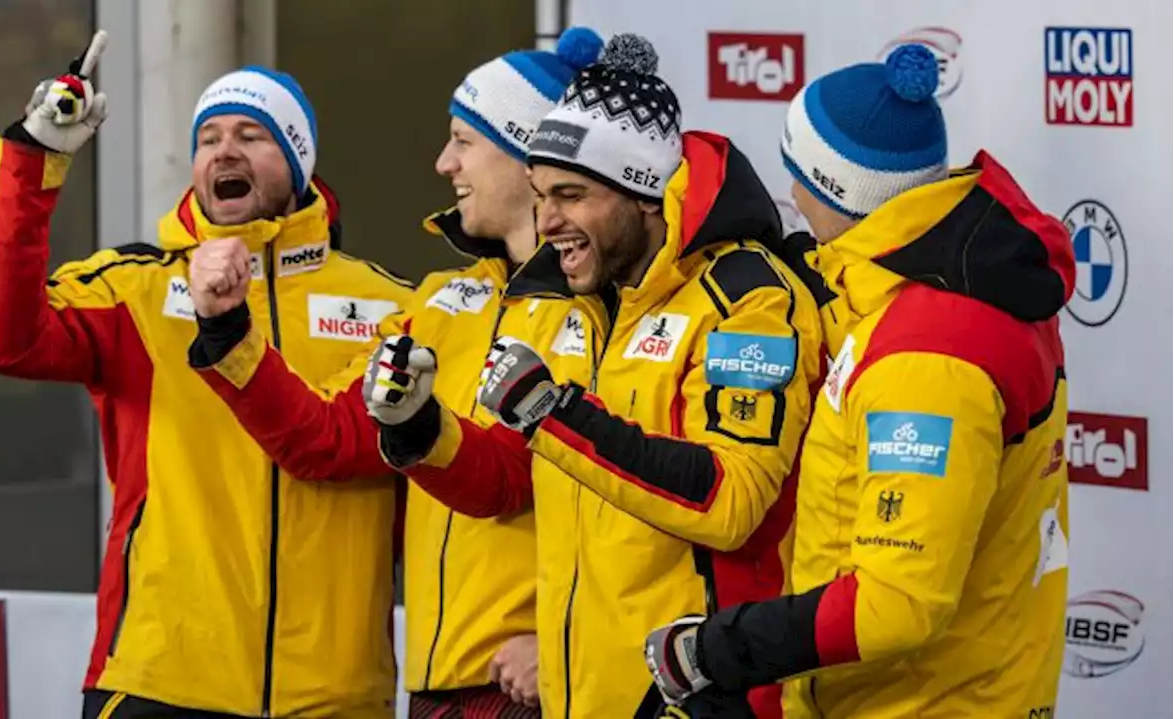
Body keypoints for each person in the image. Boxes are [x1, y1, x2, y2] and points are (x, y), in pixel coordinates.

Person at [363, 34, 825, 718]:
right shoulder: (589, 304)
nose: (548, 221)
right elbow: (518, 473)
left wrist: (556, 412)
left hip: (698, 697)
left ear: (642, 192)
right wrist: (420, 427)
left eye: (572, 196)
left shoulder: (747, 296)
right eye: (542, 194)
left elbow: (731, 501)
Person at [0, 31, 414, 718]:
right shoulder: (136, 288)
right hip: (160, 679)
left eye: (253, 135)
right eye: (209, 138)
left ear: (299, 165)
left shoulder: (391, 306)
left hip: (334, 695)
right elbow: (1, 341)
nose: (224, 150)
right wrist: (37, 160)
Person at [184, 28, 609, 717]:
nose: (444, 163)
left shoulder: (602, 312)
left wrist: (568, 639)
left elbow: (609, 503)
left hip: (542, 681)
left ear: (528, 154)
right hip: (440, 680)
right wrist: (229, 330)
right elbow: (322, 439)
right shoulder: (442, 301)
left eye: (463, 141)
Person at [642, 45, 1074, 718]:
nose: (790, 195)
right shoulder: (943, 281)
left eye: (798, 175)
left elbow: (898, 599)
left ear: (830, 186)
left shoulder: (930, 353)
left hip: (923, 702)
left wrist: (719, 649)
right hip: (940, 689)